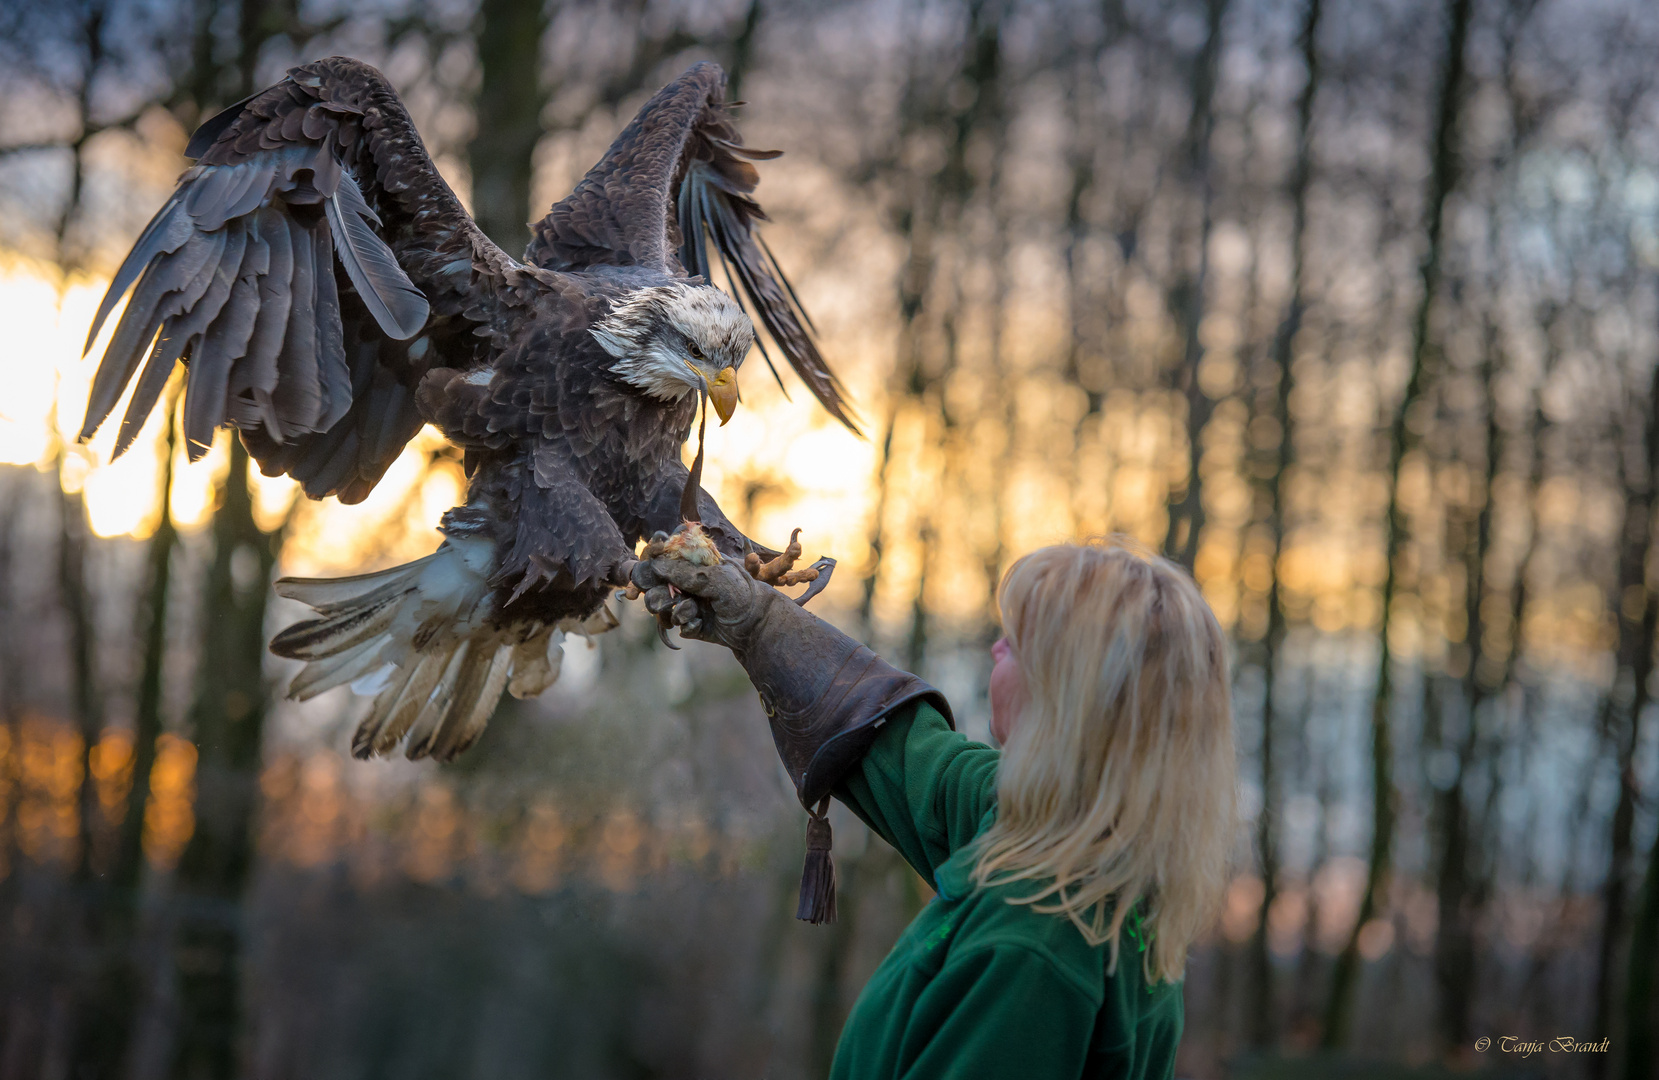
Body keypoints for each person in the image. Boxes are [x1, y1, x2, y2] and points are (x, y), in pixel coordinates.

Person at [636, 537, 1237, 1079]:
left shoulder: (1032, 950)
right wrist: (760, 620)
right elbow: (911, 756)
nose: (996, 648)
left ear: (1066, 702)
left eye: (1018, 644)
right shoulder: (1078, 838)